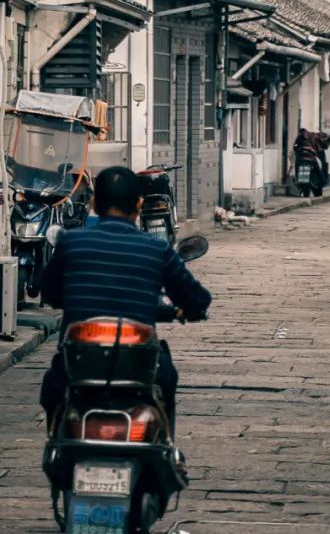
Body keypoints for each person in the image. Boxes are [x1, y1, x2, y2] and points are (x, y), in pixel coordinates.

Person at [38, 164, 211, 432]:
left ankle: (56, 439)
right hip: (138, 365)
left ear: (94, 204)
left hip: (79, 364)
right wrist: (187, 310)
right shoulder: (157, 249)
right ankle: (165, 446)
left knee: (53, 388)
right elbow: (198, 299)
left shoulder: (71, 243)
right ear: (139, 204)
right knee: (166, 378)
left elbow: (48, 291)